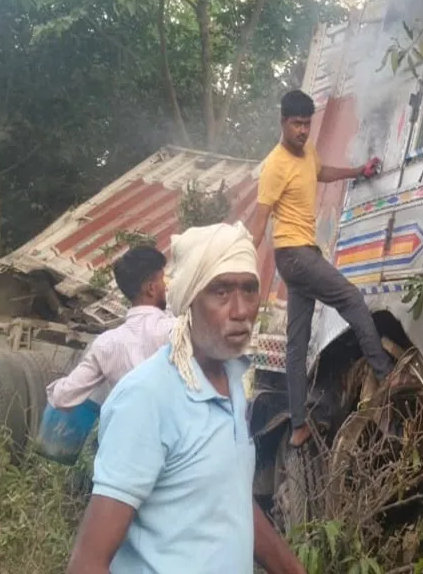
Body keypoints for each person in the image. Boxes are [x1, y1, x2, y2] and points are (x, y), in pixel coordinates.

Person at [67, 223, 305, 574]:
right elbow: (87, 564)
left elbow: (229, 499)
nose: (240, 310)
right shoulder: (147, 397)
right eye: (220, 292)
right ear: (190, 301)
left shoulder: (233, 383)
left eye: (249, 290)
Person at [246, 89, 394, 448]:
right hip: (295, 255)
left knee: (297, 344)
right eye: (296, 124)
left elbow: (320, 171)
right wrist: (241, 269)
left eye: (307, 125)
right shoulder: (274, 167)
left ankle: (298, 426)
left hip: (299, 258)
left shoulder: (307, 152)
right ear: (283, 122)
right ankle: (385, 374)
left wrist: (358, 170)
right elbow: (260, 220)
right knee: (352, 299)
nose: (302, 131)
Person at [47, 245, 175, 409]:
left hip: (131, 431)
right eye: (162, 280)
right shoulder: (175, 330)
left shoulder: (105, 344)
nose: (166, 287)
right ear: (151, 288)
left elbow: (61, 397)